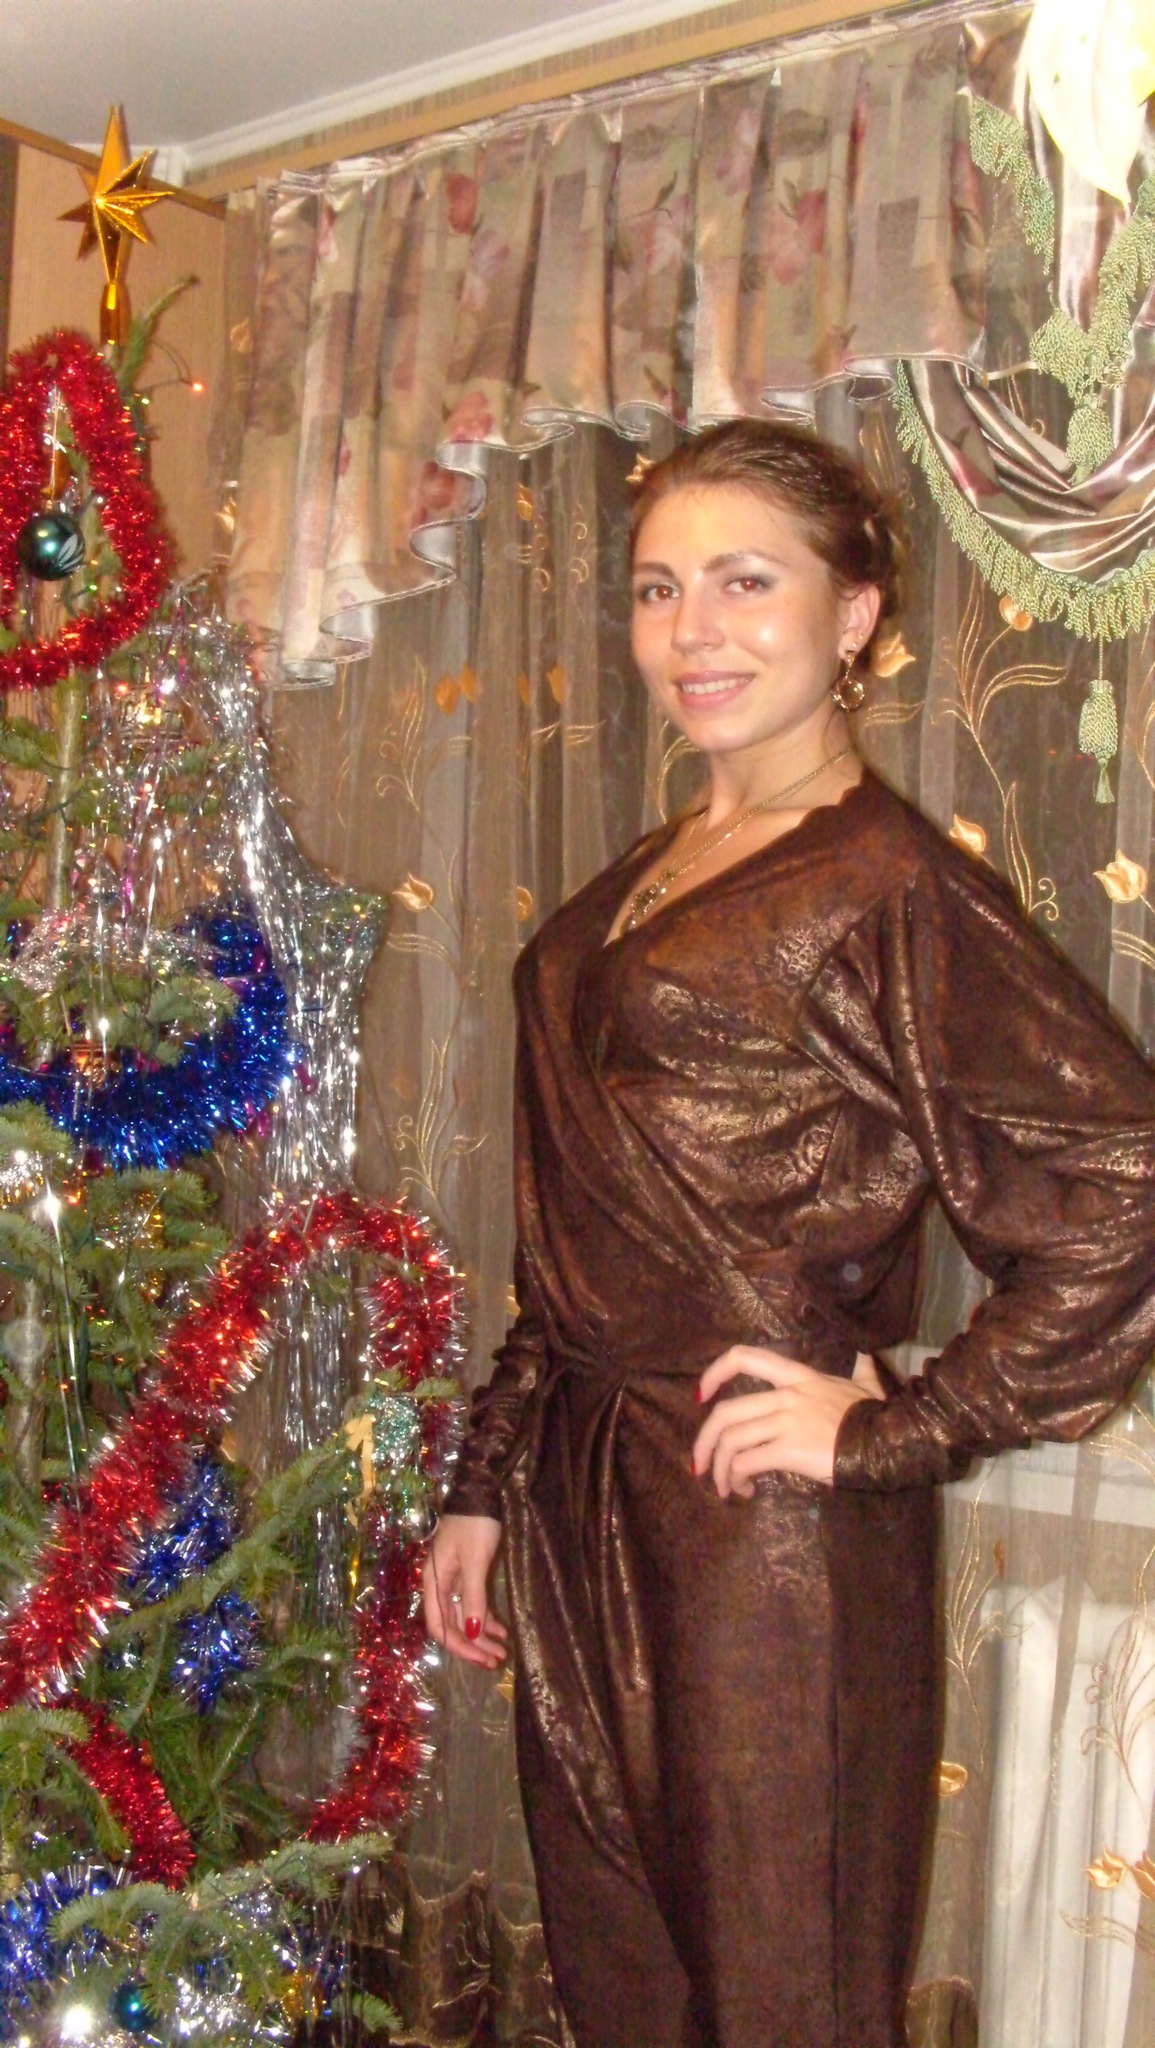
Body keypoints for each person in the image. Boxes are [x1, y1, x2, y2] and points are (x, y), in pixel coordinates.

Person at [422, 419, 1155, 2048]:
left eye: (747, 583)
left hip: (763, 1537)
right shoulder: (654, 868)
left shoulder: (888, 886)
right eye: (658, 589)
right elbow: (580, 1232)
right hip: (584, 1491)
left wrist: (901, 1427)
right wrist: (487, 1477)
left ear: (856, 616)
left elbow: (1125, 1180)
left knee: (786, 2000)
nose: (693, 631)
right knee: (625, 1986)